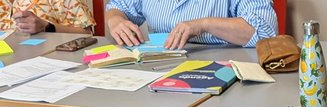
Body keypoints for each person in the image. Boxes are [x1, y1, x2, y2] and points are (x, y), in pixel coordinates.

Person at [104, 0, 276, 49]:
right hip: (158, 68)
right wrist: (115, 20)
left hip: (222, 72)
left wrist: (204, 24)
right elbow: (118, 7)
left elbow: (265, 31)